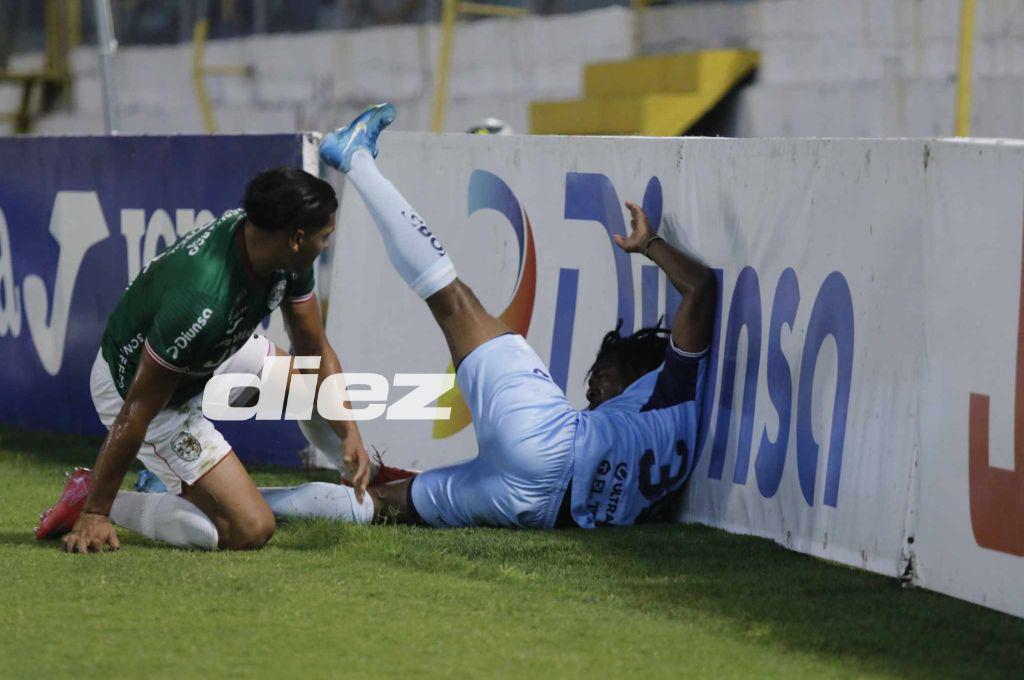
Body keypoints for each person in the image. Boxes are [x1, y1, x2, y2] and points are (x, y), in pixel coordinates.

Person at [301, 103, 717, 529]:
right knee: (375, 505)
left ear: (639, 377)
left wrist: (649, 244)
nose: (592, 389)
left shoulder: (673, 389)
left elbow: (701, 288)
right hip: (536, 510)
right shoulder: (671, 447)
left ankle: (355, 158)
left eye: (605, 376)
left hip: (552, 444)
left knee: (453, 300)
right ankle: (256, 508)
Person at [35, 168, 380, 552]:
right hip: (142, 392)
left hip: (213, 352)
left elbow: (315, 349)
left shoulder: (279, 249)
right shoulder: (202, 298)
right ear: (297, 239)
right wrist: (96, 513)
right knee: (249, 528)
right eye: (325, 237)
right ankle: (95, 498)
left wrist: (349, 431)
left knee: (312, 389)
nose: (326, 245)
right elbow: (136, 411)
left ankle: (360, 481)